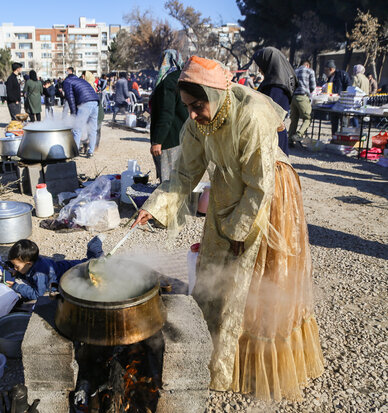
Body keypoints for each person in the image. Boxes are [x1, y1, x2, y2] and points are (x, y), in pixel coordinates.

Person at [133, 56, 324, 402]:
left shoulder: (250, 114)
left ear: (214, 94)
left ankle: (251, 367)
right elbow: (184, 175)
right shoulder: (197, 124)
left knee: (253, 280)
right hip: (226, 190)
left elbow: (259, 186)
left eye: (197, 105)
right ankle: (214, 356)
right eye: (187, 107)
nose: (192, 114)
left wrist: (238, 232)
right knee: (214, 271)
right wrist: (154, 206)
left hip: (268, 194)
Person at [5, 238, 104, 301]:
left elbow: (37, 294)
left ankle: (95, 247)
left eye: (17, 266)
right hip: (60, 268)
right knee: (86, 262)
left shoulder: (39, 275)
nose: (15, 268)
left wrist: (17, 287)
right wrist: (17, 273)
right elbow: (25, 271)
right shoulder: (31, 263)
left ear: (28, 264)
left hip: (69, 272)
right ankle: (94, 252)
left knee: (92, 265)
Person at [149, 49, 188, 183]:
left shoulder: (168, 82)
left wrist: (158, 141)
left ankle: (170, 204)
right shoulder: (184, 78)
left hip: (170, 140)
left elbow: (166, 113)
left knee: (168, 183)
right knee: (181, 180)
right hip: (184, 137)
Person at [253, 47, 298, 155]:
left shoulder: (276, 88)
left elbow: (269, 115)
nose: (259, 70)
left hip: (273, 140)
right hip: (273, 137)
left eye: (261, 66)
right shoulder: (275, 84)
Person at [63, 66, 100, 158]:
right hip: (95, 101)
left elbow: (71, 99)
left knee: (76, 129)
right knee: (92, 129)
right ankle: (91, 151)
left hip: (85, 103)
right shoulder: (81, 80)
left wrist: (74, 115)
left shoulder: (67, 82)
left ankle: (75, 153)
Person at [289, 60, 316, 145]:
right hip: (303, 97)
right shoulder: (310, 71)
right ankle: (299, 134)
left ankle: (290, 139)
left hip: (293, 98)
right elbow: (313, 86)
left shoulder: (294, 71)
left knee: (294, 119)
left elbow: (290, 85)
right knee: (307, 118)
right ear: (308, 65)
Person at [323, 59, 350, 135]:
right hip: (333, 103)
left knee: (343, 123)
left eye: (326, 70)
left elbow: (348, 86)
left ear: (331, 69)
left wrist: (343, 95)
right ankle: (334, 138)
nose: (325, 72)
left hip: (342, 103)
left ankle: (343, 138)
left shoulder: (341, 74)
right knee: (334, 123)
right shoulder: (330, 78)